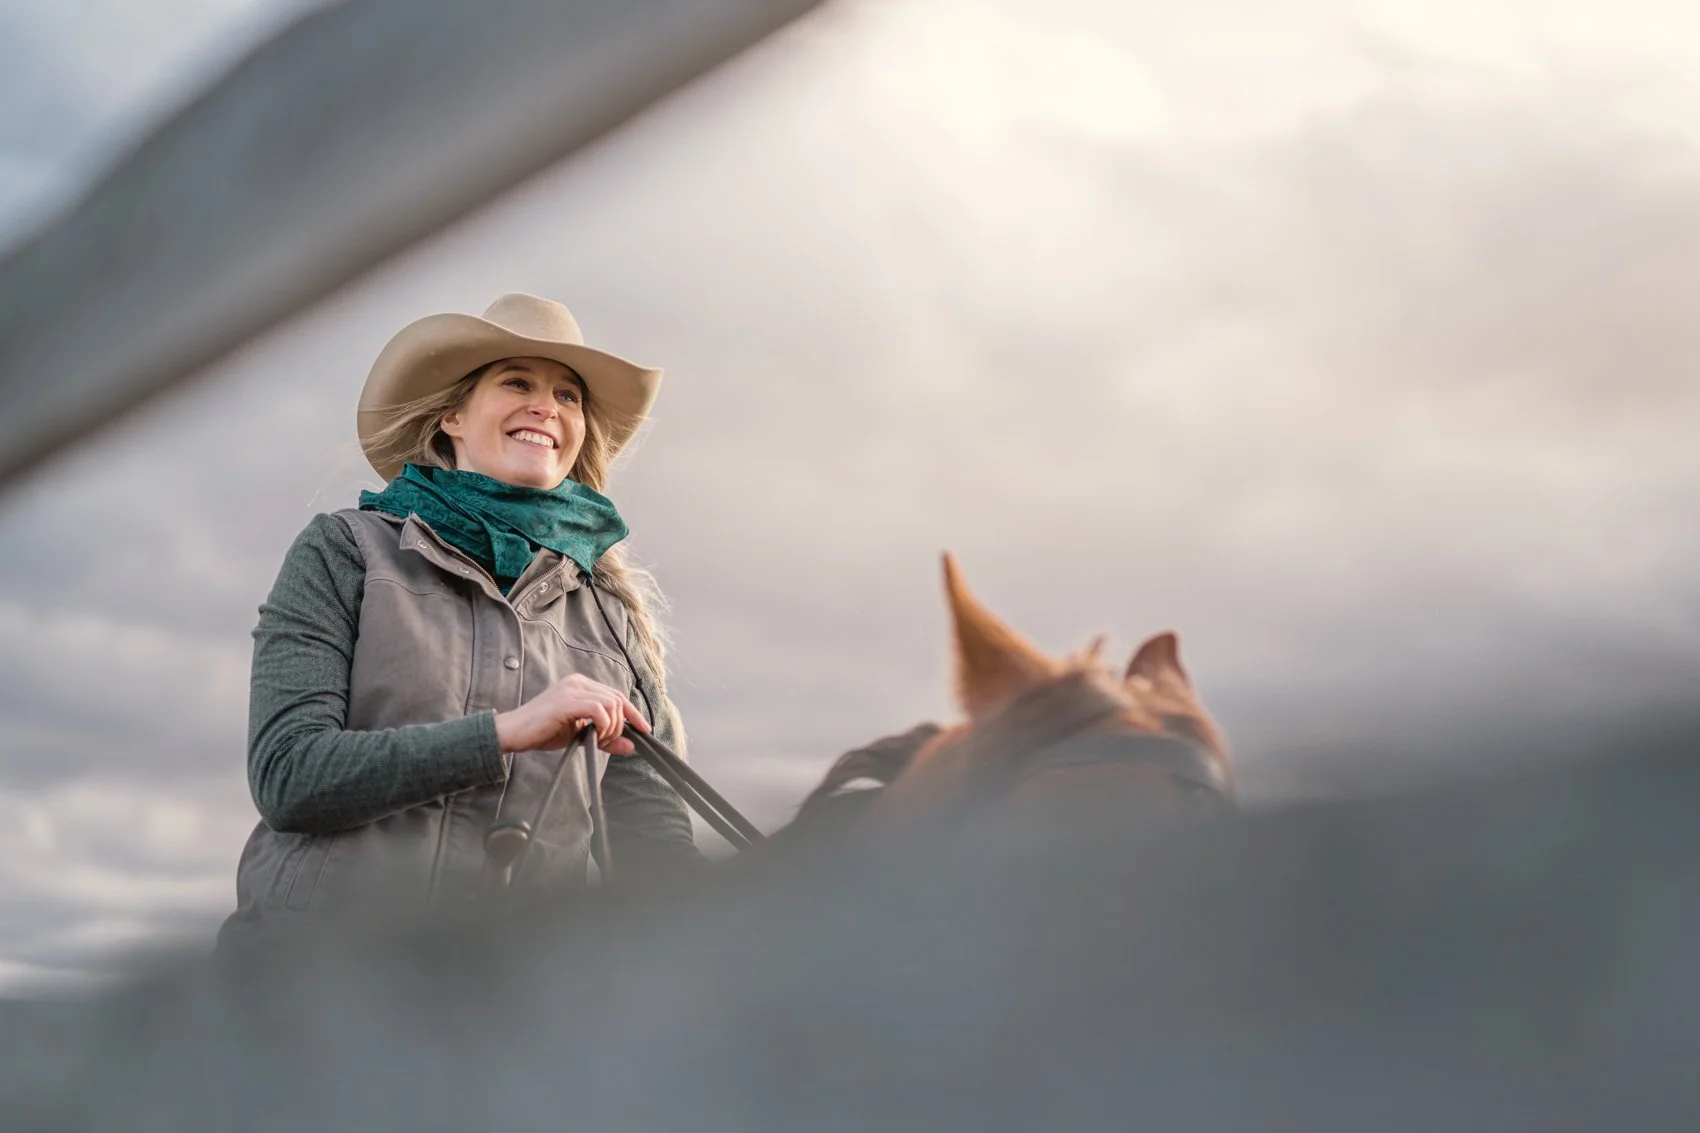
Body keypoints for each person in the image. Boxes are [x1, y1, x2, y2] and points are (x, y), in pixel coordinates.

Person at [219, 293, 700, 943]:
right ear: (452, 414)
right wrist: (503, 733)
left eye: (568, 395)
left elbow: (657, 858)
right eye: (518, 382)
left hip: (503, 1020)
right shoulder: (343, 550)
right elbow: (288, 774)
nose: (546, 406)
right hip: (307, 993)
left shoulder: (613, 621)